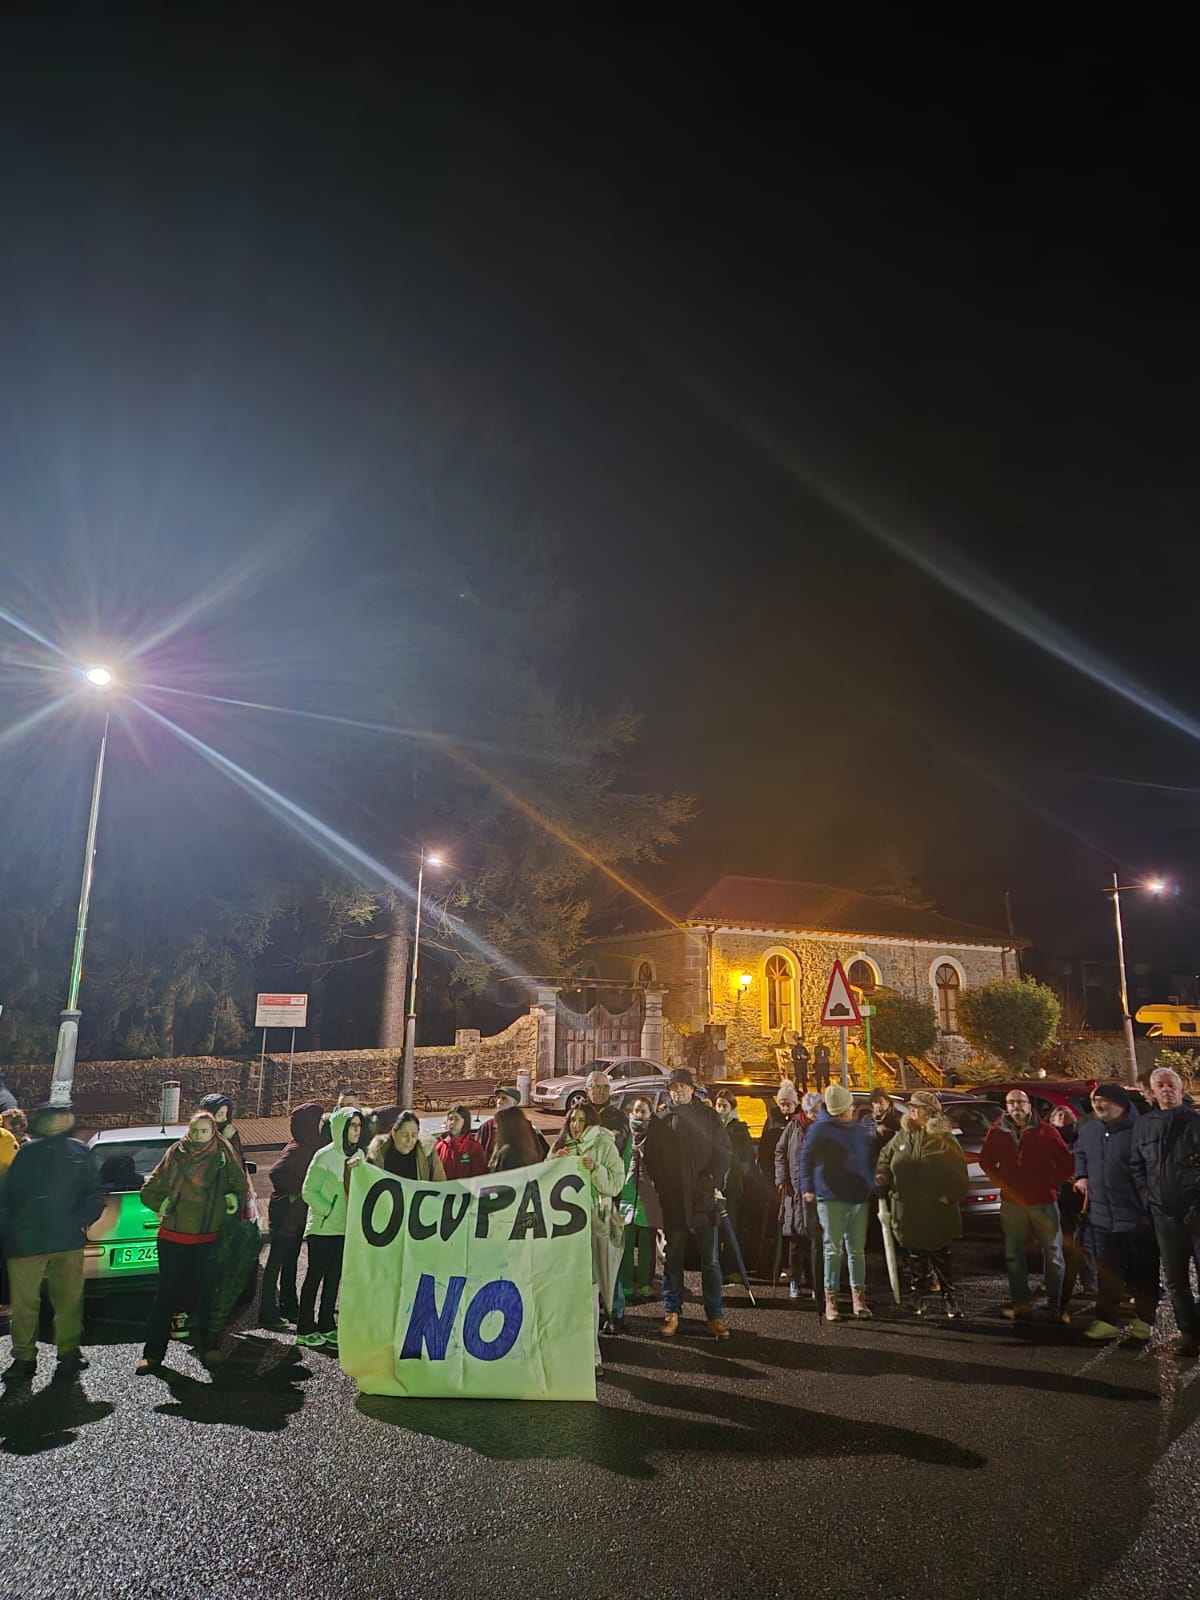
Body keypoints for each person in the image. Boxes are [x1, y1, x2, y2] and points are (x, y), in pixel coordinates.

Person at [137, 1110, 249, 1374]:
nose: (199, 1137)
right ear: (189, 1130)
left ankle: (209, 1347)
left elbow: (239, 1185)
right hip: (173, 1238)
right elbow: (150, 1189)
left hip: (208, 1238)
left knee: (208, 1297)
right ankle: (152, 1355)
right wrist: (161, 1203)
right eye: (195, 1131)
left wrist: (232, 1197)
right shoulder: (176, 1153)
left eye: (205, 1131)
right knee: (165, 1298)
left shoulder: (222, 1154)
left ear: (213, 1132)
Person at [0, 1102, 103, 1383]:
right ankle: (23, 1357)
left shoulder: (78, 1151)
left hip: (66, 1240)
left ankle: (69, 1351)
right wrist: (9, 1231)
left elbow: (94, 1193)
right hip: (25, 1241)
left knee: (69, 1301)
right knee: (23, 1304)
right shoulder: (27, 1152)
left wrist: (80, 1220)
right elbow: (7, 1196)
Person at [644, 1067, 732, 1340]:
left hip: (703, 1197)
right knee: (673, 1258)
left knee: (710, 1260)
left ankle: (714, 1316)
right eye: (673, 1088)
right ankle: (672, 1312)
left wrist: (712, 1182)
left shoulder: (708, 1117)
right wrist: (664, 1186)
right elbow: (652, 1159)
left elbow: (724, 1152)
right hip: (674, 1199)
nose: (677, 1091)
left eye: (682, 1087)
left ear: (692, 1089)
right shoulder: (662, 1119)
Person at [979, 1088, 1074, 1322]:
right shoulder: (997, 1132)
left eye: (1020, 1102)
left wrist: (1050, 1182)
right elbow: (986, 1161)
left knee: (1053, 1253)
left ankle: (1055, 1305)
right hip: (1012, 1203)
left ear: (1029, 1105)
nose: (1015, 1107)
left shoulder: (1046, 1132)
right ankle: (1021, 1302)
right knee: (1014, 1254)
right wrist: (1003, 1183)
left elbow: (1067, 1161)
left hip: (1043, 1201)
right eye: (1011, 1103)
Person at [876, 1089, 969, 1318]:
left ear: (928, 1112)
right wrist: (883, 1174)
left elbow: (959, 1171)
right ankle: (917, 1298)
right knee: (915, 1254)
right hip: (908, 1208)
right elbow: (886, 1156)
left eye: (916, 1106)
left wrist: (950, 1195)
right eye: (911, 1106)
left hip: (935, 1209)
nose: (912, 1109)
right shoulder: (904, 1135)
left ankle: (950, 1298)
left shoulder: (944, 1139)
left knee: (939, 1254)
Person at [1076, 1083, 1157, 1342]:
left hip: (1137, 1218)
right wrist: (1082, 1175)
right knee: (1107, 1273)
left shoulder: (1141, 1130)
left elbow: (1153, 1170)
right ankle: (1106, 1320)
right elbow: (1079, 1153)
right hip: (1102, 1218)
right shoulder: (1089, 1130)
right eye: (1095, 1100)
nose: (1099, 1105)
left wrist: (1147, 1206)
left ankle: (1144, 1321)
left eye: (1105, 1101)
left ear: (1121, 1104)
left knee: (1143, 1273)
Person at [1131, 1066, 1200, 1358]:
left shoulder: (1195, 1123)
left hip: (1196, 1211)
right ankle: (1190, 1333)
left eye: (1171, 1085)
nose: (1166, 1090)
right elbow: (1136, 1166)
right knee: (1175, 1279)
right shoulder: (1144, 1126)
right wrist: (1149, 1198)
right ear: (1152, 1092)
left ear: (1181, 1090)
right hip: (1164, 1216)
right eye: (1160, 1085)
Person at [550, 1101, 624, 1372]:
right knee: (565, 1292)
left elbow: (617, 1183)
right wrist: (552, 1163)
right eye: (572, 1120)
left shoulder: (605, 1145)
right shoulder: (562, 1145)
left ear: (592, 1123)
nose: (575, 1125)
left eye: (581, 1120)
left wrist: (596, 1170)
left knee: (590, 1293)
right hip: (564, 1230)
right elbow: (543, 1179)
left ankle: (592, 1356)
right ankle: (565, 1352)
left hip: (594, 1226)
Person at [799, 1082, 876, 1320]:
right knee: (833, 1250)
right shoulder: (820, 1130)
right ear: (840, 1109)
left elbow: (865, 1159)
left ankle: (858, 1300)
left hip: (857, 1196)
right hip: (830, 1196)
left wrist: (871, 1182)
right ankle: (831, 1301)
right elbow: (806, 1159)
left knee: (856, 1250)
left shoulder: (856, 1129)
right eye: (849, 1106)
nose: (853, 1109)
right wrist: (807, 1187)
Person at [297, 1105, 363, 1350]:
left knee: (334, 1279)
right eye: (352, 1125)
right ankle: (305, 1327)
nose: (356, 1130)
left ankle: (326, 1323)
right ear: (340, 1127)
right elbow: (308, 1191)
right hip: (323, 1228)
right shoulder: (324, 1156)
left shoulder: (359, 1156)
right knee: (315, 1277)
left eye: (359, 1126)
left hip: (345, 1228)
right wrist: (328, 1210)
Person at [259, 1102, 325, 1330]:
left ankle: (289, 1307)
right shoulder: (298, 1149)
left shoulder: (306, 1144)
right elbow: (276, 1173)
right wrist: (299, 1191)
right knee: (277, 1261)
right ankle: (268, 1312)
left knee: (290, 1261)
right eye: (317, 1122)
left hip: (294, 1215)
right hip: (286, 1214)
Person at [612, 1095, 664, 1321]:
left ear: (650, 1114)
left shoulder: (655, 1136)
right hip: (626, 1194)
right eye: (636, 1111)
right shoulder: (625, 1135)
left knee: (646, 1241)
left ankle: (645, 1282)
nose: (639, 1115)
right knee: (624, 1240)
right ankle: (624, 1283)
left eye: (643, 1111)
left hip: (648, 1196)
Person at [1048, 1104, 1097, 1308]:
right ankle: (1054, 1284)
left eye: (1065, 1113)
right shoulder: (1046, 1139)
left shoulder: (1078, 1138)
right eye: (1057, 1114)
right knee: (1055, 1243)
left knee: (1079, 1242)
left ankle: (1089, 1283)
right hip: (1053, 1195)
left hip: (1075, 1196)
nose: (1061, 1116)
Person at [775, 1091, 819, 1300]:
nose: (814, 1115)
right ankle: (795, 1279)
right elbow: (780, 1152)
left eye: (817, 1111)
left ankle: (814, 1281)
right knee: (795, 1238)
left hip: (816, 1193)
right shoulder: (793, 1127)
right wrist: (781, 1178)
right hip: (794, 1192)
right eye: (811, 1111)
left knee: (815, 1238)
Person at [369, 1110, 448, 1179]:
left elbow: (440, 1185)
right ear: (394, 1132)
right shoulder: (377, 1152)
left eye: (414, 1135)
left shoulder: (427, 1153)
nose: (409, 1140)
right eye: (405, 1135)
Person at [435, 1106, 488, 1179]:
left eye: (456, 1119)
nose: (452, 1122)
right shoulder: (440, 1146)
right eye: (450, 1119)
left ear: (465, 1121)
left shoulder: (474, 1148)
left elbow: (480, 1176)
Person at [487, 1106, 545, 1173]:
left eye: (498, 1126)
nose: (496, 1129)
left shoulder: (508, 1153)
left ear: (506, 1128)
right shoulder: (528, 1146)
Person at [198, 1093, 247, 1171]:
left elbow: (239, 1161)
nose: (224, 1119)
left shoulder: (231, 1134)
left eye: (226, 1114)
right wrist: (225, 1140)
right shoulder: (198, 1137)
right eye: (219, 1115)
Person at [585, 1070, 631, 1143]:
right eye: (597, 1087)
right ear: (587, 1091)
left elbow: (623, 1141)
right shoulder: (578, 1114)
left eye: (605, 1087)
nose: (602, 1091)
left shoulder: (618, 1116)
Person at [867, 1088, 903, 1163]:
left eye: (881, 1102)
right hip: (873, 1160)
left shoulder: (899, 1118)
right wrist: (876, 1131)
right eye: (875, 1102)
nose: (878, 1105)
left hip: (892, 1159)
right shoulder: (867, 1120)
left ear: (888, 1102)